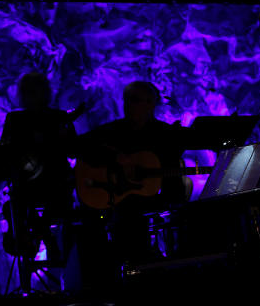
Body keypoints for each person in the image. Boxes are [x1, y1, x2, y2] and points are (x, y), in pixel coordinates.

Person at [70, 81, 189, 293]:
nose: (127, 105)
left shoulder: (165, 133)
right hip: (122, 204)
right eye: (126, 100)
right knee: (118, 220)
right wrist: (115, 157)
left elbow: (173, 185)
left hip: (157, 198)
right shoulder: (113, 131)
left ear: (151, 104)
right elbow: (76, 146)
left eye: (134, 100)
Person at [0, 72, 79, 287]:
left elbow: (73, 151)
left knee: (56, 192)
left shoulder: (59, 117)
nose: (33, 96)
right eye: (29, 91)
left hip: (56, 183)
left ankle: (42, 240)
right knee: (19, 199)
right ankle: (48, 240)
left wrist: (62, 138)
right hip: (27, 185)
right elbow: (5, 152)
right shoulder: (15, 119)